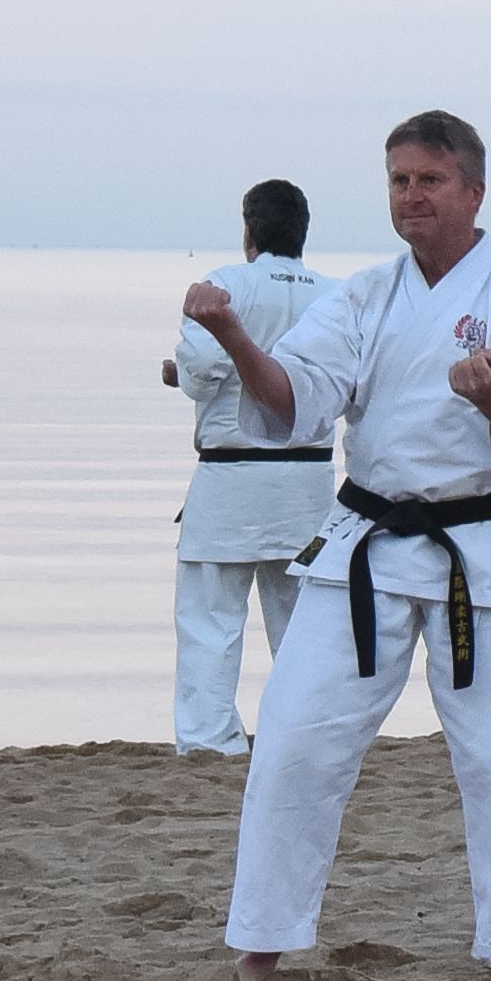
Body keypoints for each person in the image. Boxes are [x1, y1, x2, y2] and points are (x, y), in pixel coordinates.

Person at [186, 111, 491, 979]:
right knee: (295, 739)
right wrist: (232, 339)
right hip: (365, 543)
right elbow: (294, 401)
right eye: (398, 181)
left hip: (483, 552)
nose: (410, 196)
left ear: (474, 191)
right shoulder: (366, 296)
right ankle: (264, 940)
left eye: (429, 180)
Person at [167, 180, 341, 755]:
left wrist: (184, 378)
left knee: (211, 622)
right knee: (301, 626)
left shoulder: (225, 286)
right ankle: (302, 733)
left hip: (231, 477)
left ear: (249, 229)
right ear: (303, 230)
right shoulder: (336, 296)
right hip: (308, 482)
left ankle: (211, 741)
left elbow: (198, 373)